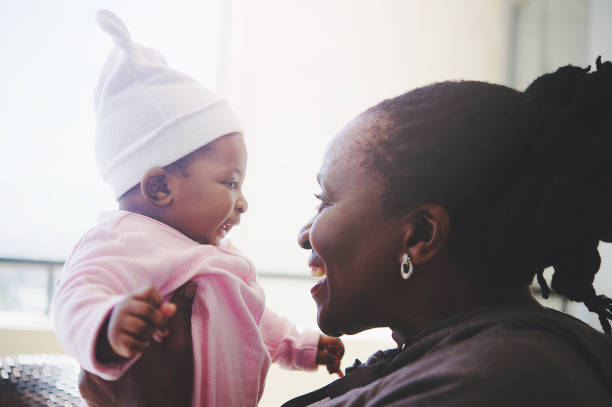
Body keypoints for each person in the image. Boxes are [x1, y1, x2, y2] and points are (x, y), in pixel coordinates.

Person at [78, 58, 612, 406]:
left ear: (420, 236)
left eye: (325, 200)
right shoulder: (461, 355)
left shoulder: (491, 384)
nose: (304, 235)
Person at [52, 9, 344, 407]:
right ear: (159, 187)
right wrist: (107, 326)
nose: (241, 202)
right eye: (229, 182)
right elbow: (75, 297)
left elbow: (255, 318)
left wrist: (302, 345)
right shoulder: (122, 241)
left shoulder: (217, 257)